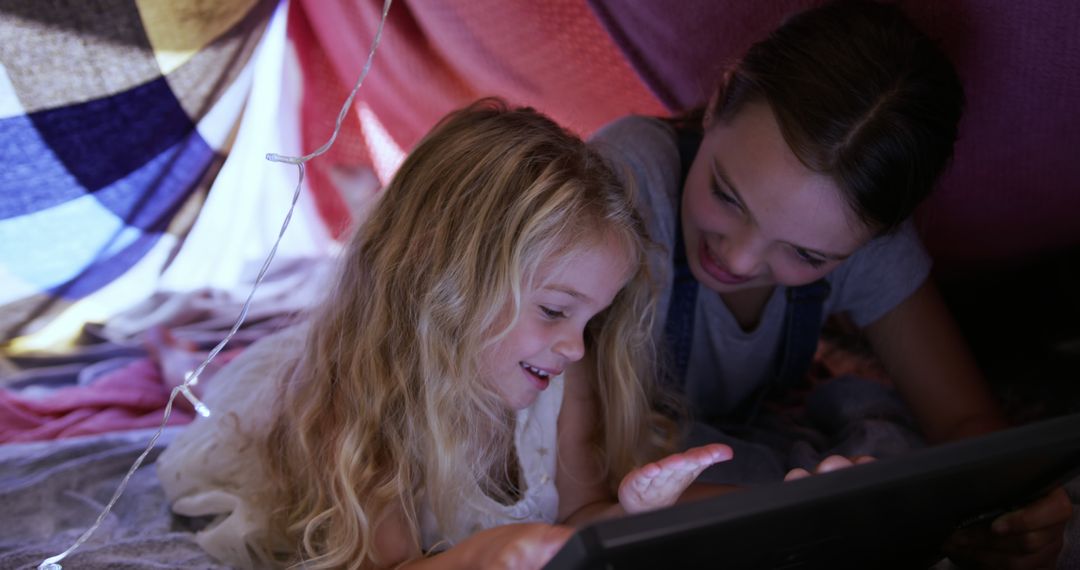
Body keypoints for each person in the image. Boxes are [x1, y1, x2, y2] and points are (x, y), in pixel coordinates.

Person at [589, 0, 1072, 567]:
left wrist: (1013, 515)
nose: (740, 259)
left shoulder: (867, 246)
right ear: (719, 102)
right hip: (606, 466)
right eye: (727, 195)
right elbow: (569, 469)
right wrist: (820, 514)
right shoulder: (623, 184)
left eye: (806, 253)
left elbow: (964, 421)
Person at [156, 99, 732, 570]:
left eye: (592, 319)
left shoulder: (561, 376)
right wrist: (489, 555)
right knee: (214, 383)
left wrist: (629, 513)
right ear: (451, 283)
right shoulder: (359, 397)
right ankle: (174, 349)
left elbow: (578, 515)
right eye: (555, 310)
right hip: (283, 397)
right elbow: (388, 566)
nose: (576, 347)